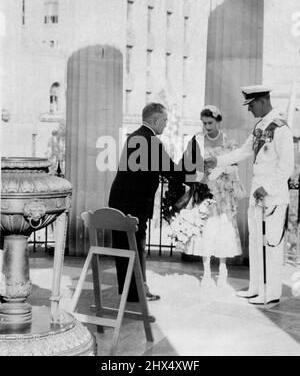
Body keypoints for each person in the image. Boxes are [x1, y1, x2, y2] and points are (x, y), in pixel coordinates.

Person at [205, 85, 294, 304]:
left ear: (263, 101)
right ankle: (256, 288)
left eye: (252, 105)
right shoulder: (260, 127)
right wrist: (218, 160)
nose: (249, 110)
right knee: (255, 243)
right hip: (257, 196)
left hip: (272, 198)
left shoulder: (281, 129)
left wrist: (268, 188)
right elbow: (244, 151)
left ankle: (271, 294)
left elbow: (287, 167)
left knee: (271, 245)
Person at [109, 102, 202, 303]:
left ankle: (130, 293)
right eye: (165, 120)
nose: (166, 124)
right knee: (137, 246)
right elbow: (171, 171)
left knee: (125, 248)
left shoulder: (134, 137)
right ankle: (139, 292)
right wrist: (196, 176)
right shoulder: (150, 141)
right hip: (135, 205)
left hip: (118, 201)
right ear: (156, 120)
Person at [169, 106, 245, 288]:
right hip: (204, 191)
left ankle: (223, 269)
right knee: (206, 231)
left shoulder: (228, 142)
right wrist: (199, 175)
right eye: (204, 123)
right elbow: (186, 167)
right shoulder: (197, 141)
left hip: (224, 193)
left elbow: (235, 167)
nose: (207, 126)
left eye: (210, 123)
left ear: (218, 121)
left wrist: (221, 169)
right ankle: (207, 272)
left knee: (223, 230)